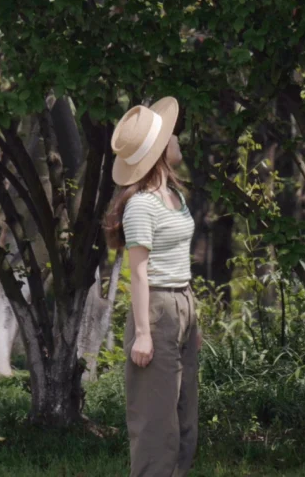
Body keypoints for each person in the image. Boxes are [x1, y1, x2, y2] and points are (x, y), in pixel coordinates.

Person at [104, 97, 200, 477]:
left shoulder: (174, 197)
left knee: (184, 418)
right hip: (157, 309)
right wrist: (143, 334)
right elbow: (139, 273)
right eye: (170, 135)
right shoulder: (141, 205)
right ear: (160, 152)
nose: (177, 138)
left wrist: (188, 311)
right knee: (156, 425)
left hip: (183, 304)